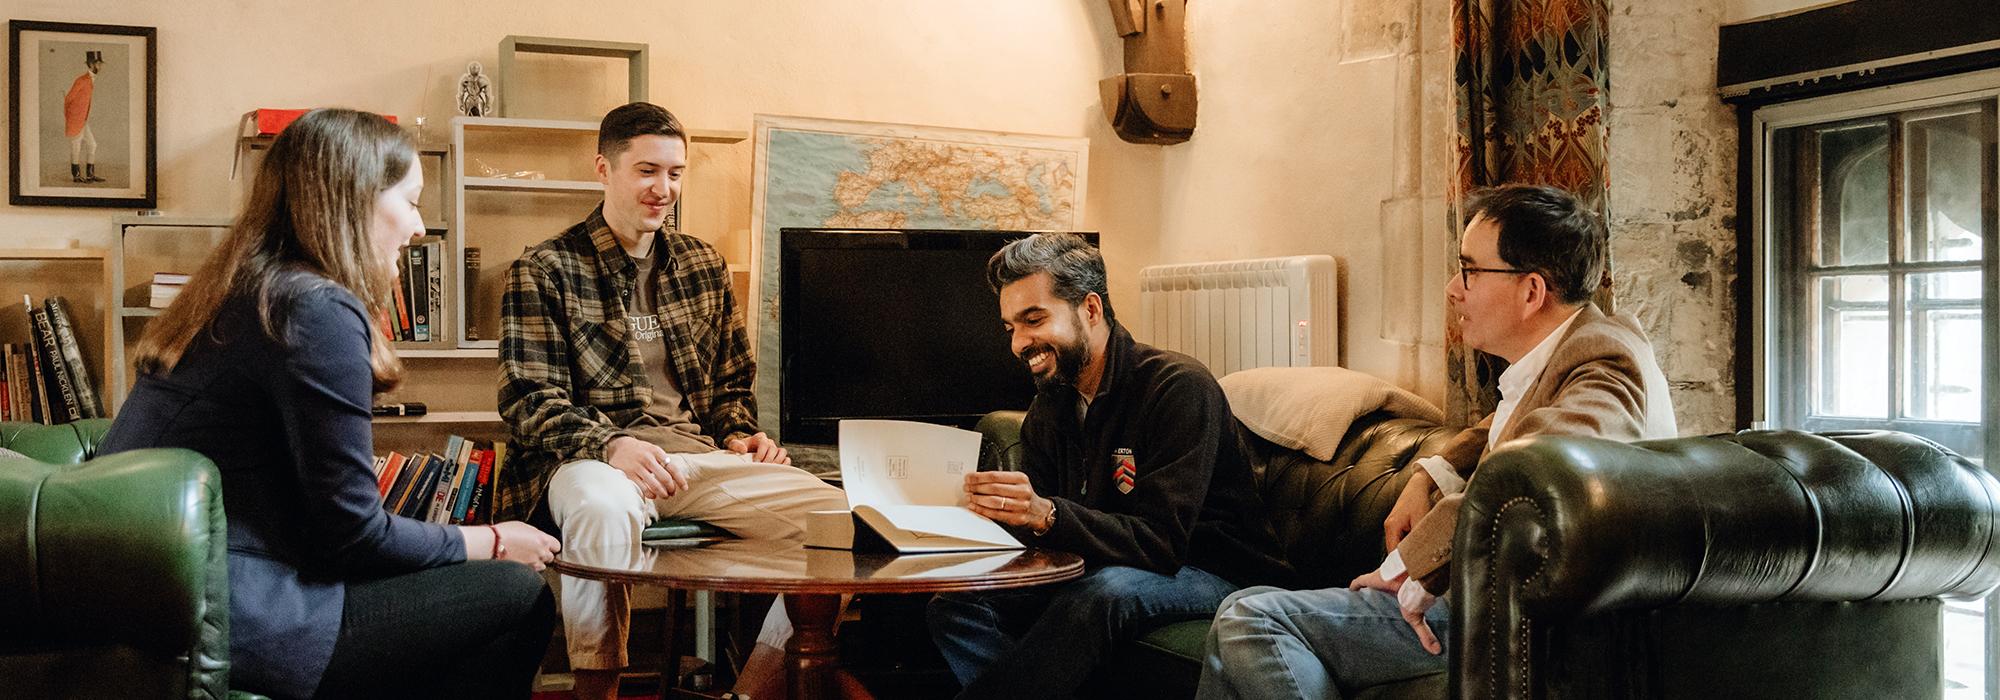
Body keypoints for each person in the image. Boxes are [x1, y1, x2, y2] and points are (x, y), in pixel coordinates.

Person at [101, 108, 561, 700]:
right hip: (243, 612)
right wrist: (494, 540)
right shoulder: (314, 308)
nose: (420, 229)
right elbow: (354, 536)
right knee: (516, 595)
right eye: (412, 201)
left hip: (170, 600)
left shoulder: (246, 289)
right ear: (358, 199)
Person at [1194, 184, 1678, 699]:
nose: (1453, 288)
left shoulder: (1604, 364)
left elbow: (1543, 472)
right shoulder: (1571, 353)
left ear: (1532, 291)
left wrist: (1409, 567)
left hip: (1523, 627)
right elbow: (1506, 424)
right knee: (1240, 607)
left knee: (1252, 619)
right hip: (1492, 599)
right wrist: (1430, 472)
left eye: (1469, 270)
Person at [497, 101, 847, 700]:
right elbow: (528, 400)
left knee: (843, 525)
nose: (664, 189)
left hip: (695, 460)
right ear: (603, 169)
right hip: (590, 461)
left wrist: (741, 435)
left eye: (676, 173)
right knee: (601, 510)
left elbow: (731, 385)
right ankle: (596, 690)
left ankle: (751, 691)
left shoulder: (702, 265)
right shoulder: (545, 267)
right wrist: (611, 444)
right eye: (647, 171)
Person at [926, 233, 1294, 699]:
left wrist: (1048, 514)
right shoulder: (1051, 405)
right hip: (1110, 566)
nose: (1020, 343)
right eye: (1010, 328)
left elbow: (1162, 543)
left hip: (1215, 570)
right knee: (956, 605)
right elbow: (1044, 532)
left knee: (1103, 592)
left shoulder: (1178, 388)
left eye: (1034, 320)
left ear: (1091, 309)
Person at [64, 50, 105, 183]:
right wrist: (71, 116)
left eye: (100, 64)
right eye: (98, 64)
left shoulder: (90, 79)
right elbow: (68, 99)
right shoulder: (81, 80)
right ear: (92, 64)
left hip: (83, 120)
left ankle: (90, 175)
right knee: (76, 146)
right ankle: (76, 176)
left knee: (92, 144)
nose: (100, 66)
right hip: (76, 120)